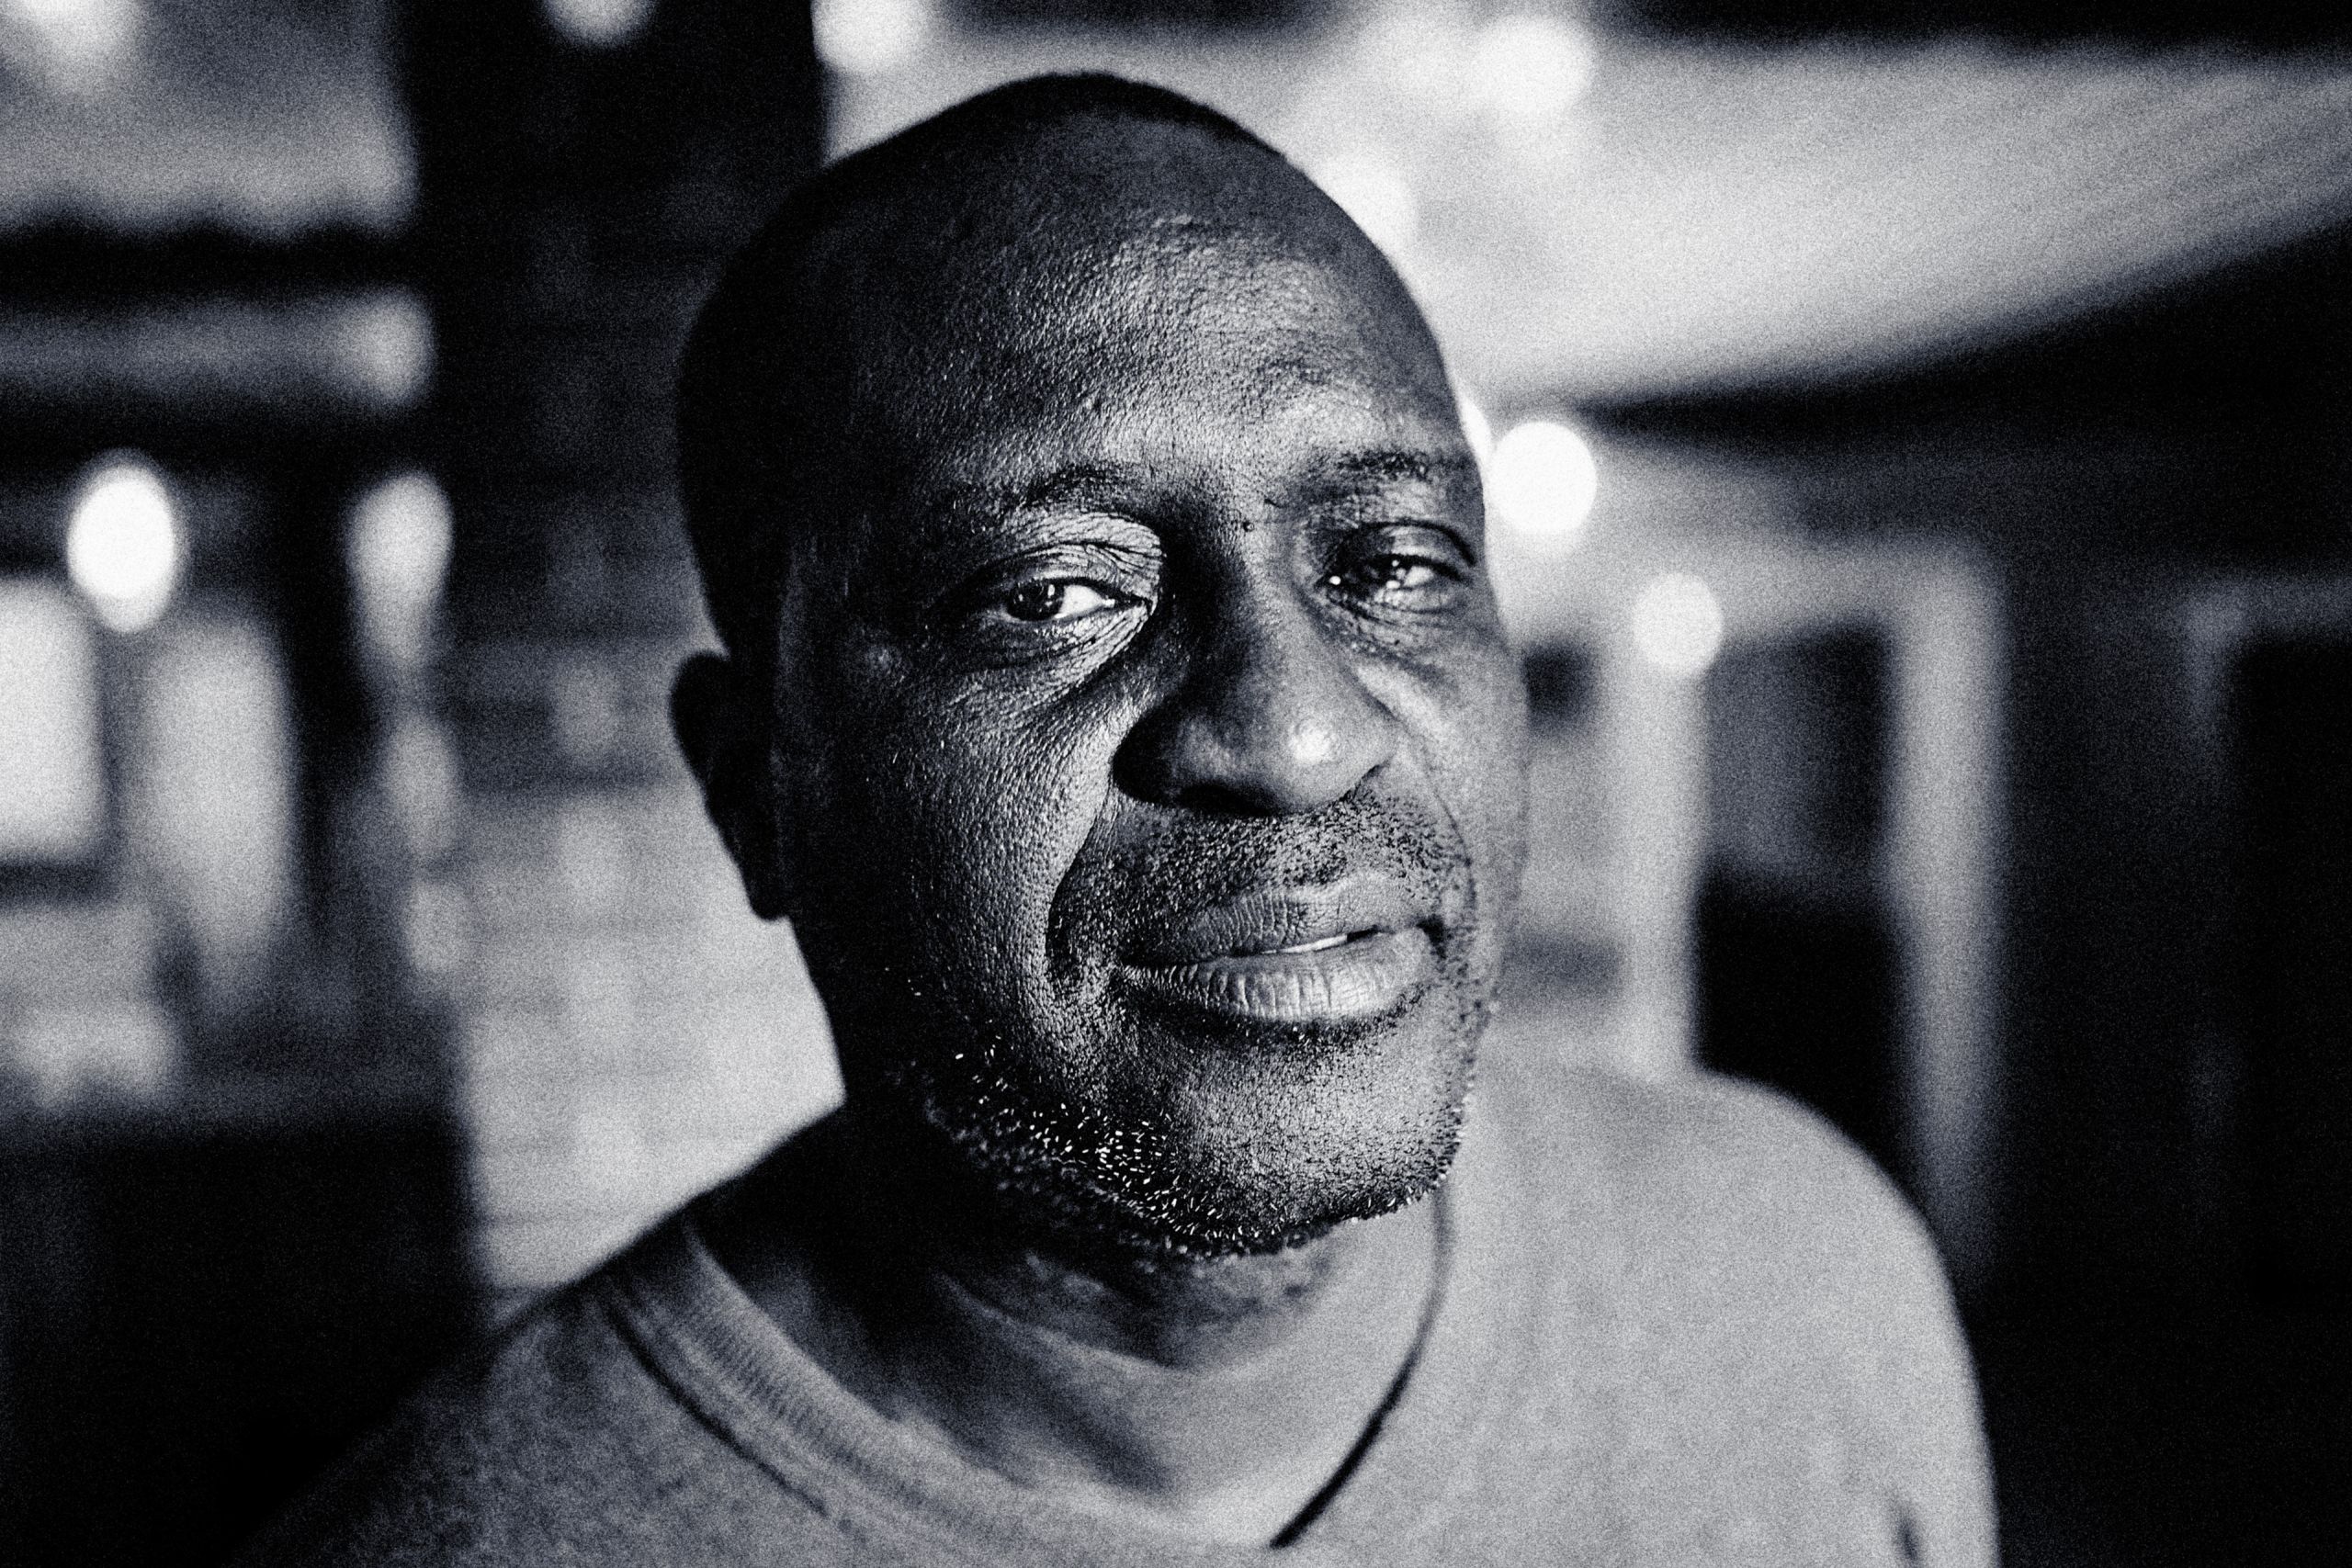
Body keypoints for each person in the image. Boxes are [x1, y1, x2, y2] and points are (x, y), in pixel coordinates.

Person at [240, 73, 1994, 1567]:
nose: (1297, 733)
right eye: (1052, 595)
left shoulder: (1802, 1276)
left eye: (1391, 564)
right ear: (757, 788)